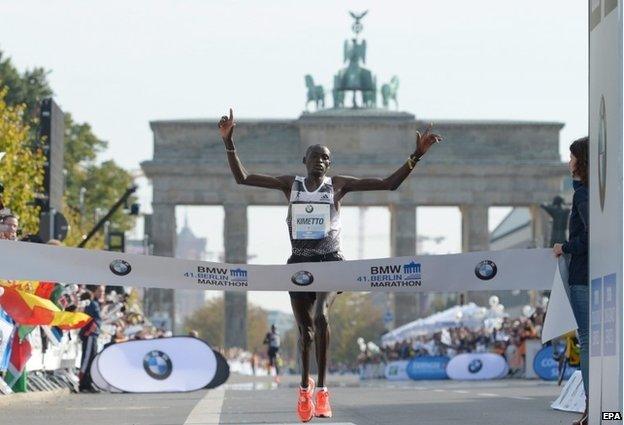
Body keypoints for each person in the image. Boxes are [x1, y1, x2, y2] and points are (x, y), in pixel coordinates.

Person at [218, 108, 442, 422]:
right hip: (299, 262)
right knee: (305, 332)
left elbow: (388, 184)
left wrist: (416, 155)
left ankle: (322, 390)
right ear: (304, 162)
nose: (320, 161)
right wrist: (229, 142)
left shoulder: (338, 186)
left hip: (331, 262)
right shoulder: (290, 185)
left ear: (329, 164)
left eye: (325, 158)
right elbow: (243, 178)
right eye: (315, 156)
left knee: (321, 317)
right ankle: (303, 389)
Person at [553, 137, 589, 425]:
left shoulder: (582, 195)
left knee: (587, 341)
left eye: (572, 156)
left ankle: (594, 408)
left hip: (583, 276)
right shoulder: (591, 193)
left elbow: (589, 236)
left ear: (582, 161)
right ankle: (605, 410)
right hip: (596, 274)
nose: (569, 161)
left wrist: (564, 248)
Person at [78, 285, 104, 392]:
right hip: (90, 335)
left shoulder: (95, 303)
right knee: (87, 358)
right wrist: (89, 331)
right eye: (100, 291)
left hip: (93, 336)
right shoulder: (91, 304)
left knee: (92, 358)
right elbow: (90, 320)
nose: (102, 293)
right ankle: (82, 382)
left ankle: (88, 383)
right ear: (94, 291)